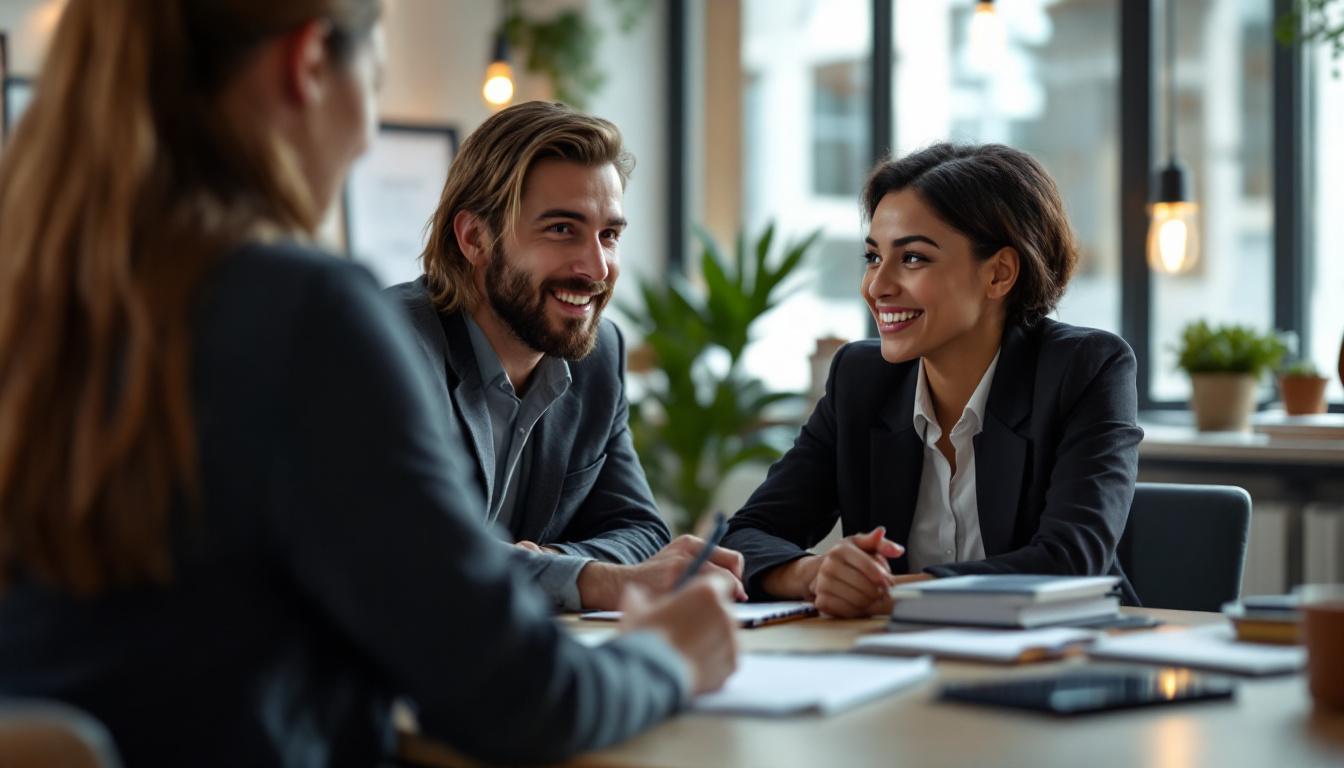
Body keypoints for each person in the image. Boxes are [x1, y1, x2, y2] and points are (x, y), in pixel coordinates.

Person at [0, 2, 737, 766]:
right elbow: (516, 697)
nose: (363, 136)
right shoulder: (301, 312)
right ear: (311, 63)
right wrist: (669, 655)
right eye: (377, 83)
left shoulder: (47, 301)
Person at [722, 143, 1143, 618]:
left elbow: (1070, 563)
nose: (877, 286)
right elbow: (746, 537)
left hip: (1068, 650)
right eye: (873, 257)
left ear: (1000, 273)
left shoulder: (1085, 369)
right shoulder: (861, 380)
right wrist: (813, 575)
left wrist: (890, 592)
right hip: (894, 652)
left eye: (913, 258)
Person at [386, 101, 745, 610]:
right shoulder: (389, 343)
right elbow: (411, 547)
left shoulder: (598, 356)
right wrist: (597, 581)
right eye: (561, 229)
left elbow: (639, 530)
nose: (597, 268)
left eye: (609, 235)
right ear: (474, 238)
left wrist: (553, 565)